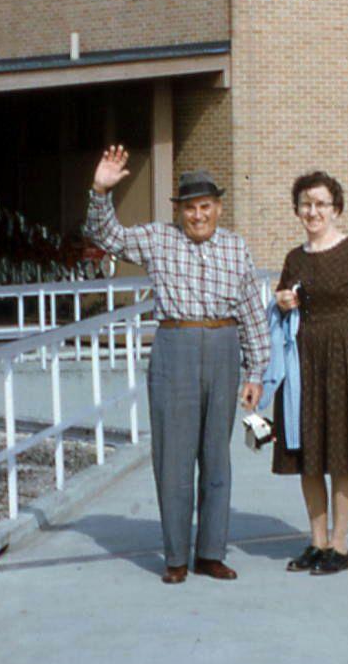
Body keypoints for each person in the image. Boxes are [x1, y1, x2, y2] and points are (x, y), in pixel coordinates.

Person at [84, 147, 267, 584]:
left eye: (205, 207)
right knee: (174, 457)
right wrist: (100, 190)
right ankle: (176, 558)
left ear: (218, 208)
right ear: (180, 210)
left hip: (224, 347)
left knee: (217, 458)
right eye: (190, 208)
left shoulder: (236, 248)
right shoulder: (158, 239)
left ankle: (211, 552)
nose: (198, 216)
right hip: (175, 346)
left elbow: (251, 313)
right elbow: (106, 236)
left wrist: (256, 372)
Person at [271, 170, 348, 575]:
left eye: (321, 204)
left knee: (340, 454)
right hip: (303, 360)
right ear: (297, 210)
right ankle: (317, 542)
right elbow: (282, 301)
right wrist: (283, 300)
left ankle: (340, 546)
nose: (313, 211)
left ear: (335, 208)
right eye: (306, 204)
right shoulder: (294, 258)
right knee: (308, 455)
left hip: (344, 355)